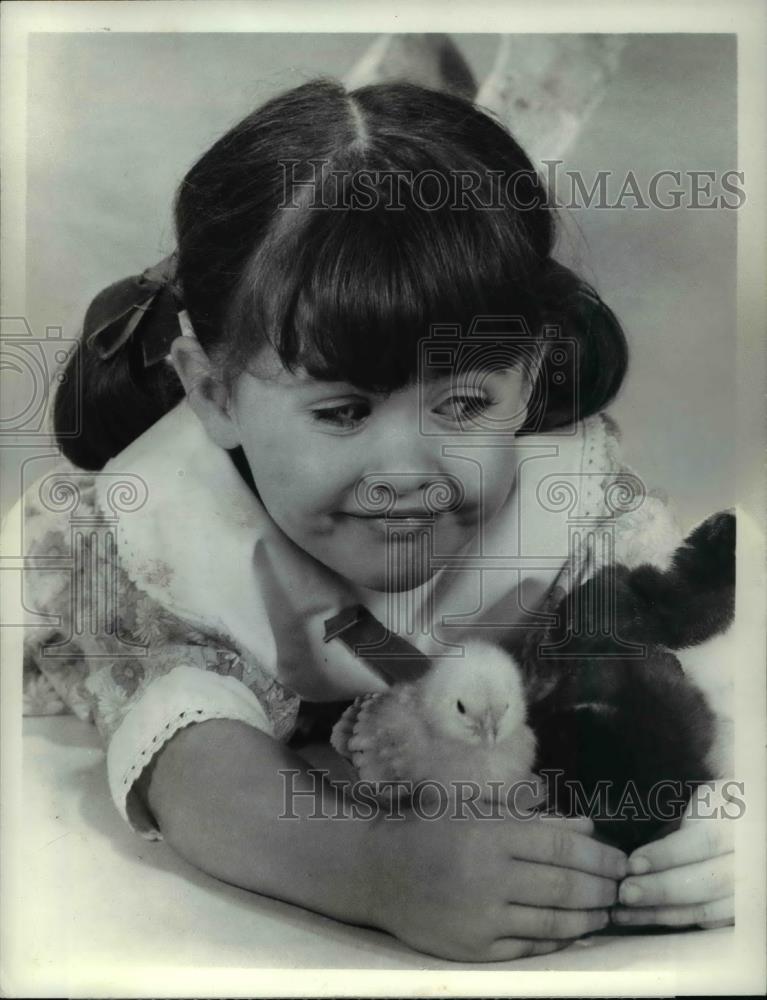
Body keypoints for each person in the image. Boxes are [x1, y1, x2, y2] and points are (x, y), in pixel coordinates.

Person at [12, 79, 735, 962]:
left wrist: (736, 801)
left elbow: (709, 635)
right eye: (343, 412)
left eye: (466, 403)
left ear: (532, 373)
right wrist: (378, 872)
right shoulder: (168, 538)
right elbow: (189, 753)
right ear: (212, 393)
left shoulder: (566, 502)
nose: (407, 473)